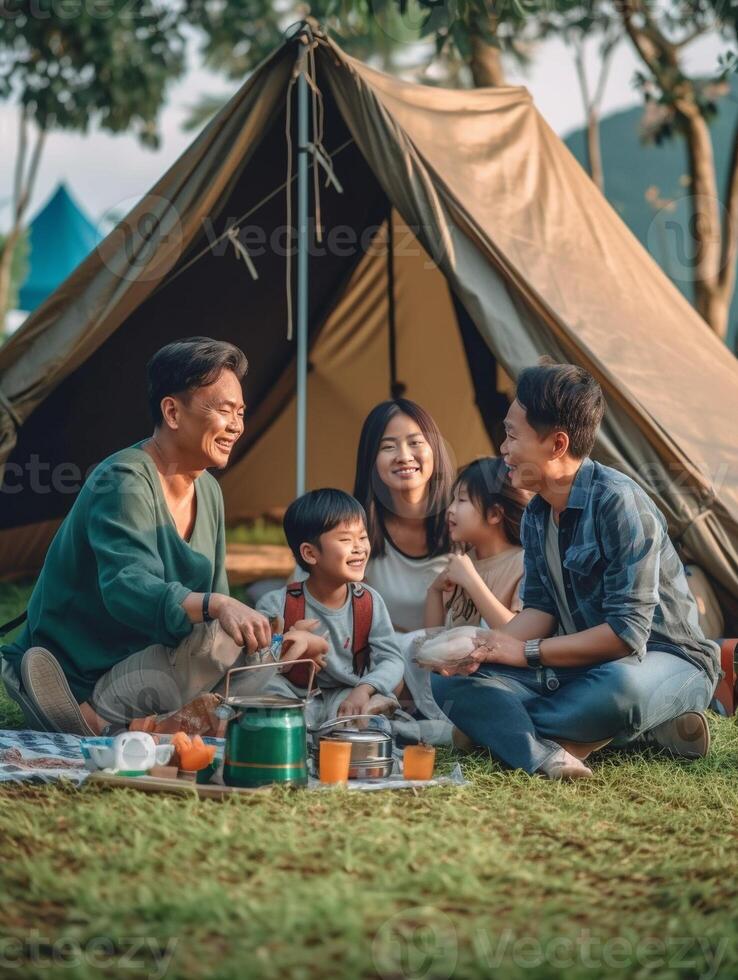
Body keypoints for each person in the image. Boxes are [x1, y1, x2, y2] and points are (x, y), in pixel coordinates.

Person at [1, 337, 324, 735]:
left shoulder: (209, 491)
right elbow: (127, 588)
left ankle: (150, 725)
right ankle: (95, 716)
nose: (237, 425)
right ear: (172, 411)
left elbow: (212, 615)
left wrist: (276, 638)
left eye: (240, 412)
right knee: (219, 638)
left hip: (156, 663)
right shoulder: (123, 478)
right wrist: (219, 607)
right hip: (80, 670)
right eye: (225, 410)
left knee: (253, 653)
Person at [431, 360, 721, 780]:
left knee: (620, 691)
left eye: (512, 435)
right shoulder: (535, 516)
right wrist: (486, 648)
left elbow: (626, 635)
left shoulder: (618, 502)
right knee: (451, 682)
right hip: (582, 665)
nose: (503, 448)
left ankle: (507, 733)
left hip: (665, 659)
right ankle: (556, 751)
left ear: (557, 444)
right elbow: (540, 611)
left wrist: (525, 653)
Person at [256, 489, 404, 723]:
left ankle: (369, 717)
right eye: (346, 539)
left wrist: (364, 689)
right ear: (310, 553)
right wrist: (286, 644)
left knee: (362, 720)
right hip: (292, 693)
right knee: (270, 705)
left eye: (363, 537)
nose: (359, 548)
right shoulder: (277, 604)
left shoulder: (368, 603)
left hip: (346, 694)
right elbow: (257, 660)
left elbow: (393, 660)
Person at [353, 399, 455, 633]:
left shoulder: (468, 521)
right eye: (388, 447)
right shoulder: (351, 530)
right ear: (371, 458)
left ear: (434, 449)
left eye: (415, 442)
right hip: (380, 662)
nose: (404, 456)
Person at [424, 457, 533, 631]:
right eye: (452, 500)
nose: (450, 509)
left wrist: (470, 580)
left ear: (494, 514)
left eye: (461, 500)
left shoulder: (523, 564)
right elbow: (432, 639)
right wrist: (435, 591)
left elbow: (518, 634)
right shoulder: (462, 562)